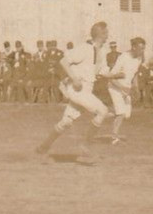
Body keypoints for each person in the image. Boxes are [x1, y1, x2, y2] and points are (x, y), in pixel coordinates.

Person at [35, 21, 112, 161]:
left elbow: (103, 71)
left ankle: (44, 146)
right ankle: (85, 146)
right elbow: (64, 61)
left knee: (66, 122)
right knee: (103, 111)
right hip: (78, 89)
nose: (108, 35)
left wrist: (119, 76)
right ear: (100, 34)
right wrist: (74, 78)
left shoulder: (101, 51)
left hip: (86, 90)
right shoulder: (84, 48)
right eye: (106, 32)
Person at [105, 36, 146, 143]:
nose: (142, 51)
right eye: (140, 48)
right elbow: (111, 77)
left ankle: (102, 113)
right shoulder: (123, 57)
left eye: (143, 49)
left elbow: (135, 73)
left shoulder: (139, 58)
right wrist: (123, 88)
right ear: (133, 47)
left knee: (126, 115)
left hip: (126, 88)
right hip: (114, 87)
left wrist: (135, 87)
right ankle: (114, 137)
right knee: (121, 113)